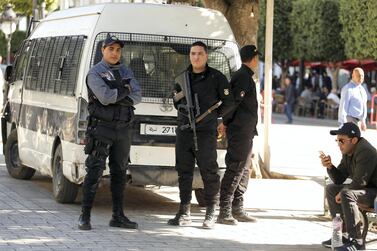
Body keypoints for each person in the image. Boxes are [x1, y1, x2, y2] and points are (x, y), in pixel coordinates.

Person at [78, 35, 142, 230]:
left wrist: (119, 94)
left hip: (123, 129)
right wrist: (124, 91)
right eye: (111, 49)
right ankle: (85, 216)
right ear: (102, 50)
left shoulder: (125, 70)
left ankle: (118, 216)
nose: (115, 53)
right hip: (102, 128)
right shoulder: (95, 73)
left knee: (120, 172)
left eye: (118, 50)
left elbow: (137, 95)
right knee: (95, 171)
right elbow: (105, 98)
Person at [168, 41, 234, 229]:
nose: (196, 57)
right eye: (193, 54)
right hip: (184, 131)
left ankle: (211, 211)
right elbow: (175, 101)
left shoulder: (216, 77)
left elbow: (229, 102)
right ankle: (184, 211)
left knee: (209, 172)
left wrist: (214, 116)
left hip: (205, 132)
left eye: (199, 54)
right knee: (184, 171)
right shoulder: (182, 77)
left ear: (206, 56)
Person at [216, 45, 259, 225]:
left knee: (243, 169)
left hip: (246, 130)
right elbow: (233, 102)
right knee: (235, 167)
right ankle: (224, 210)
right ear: (254, 58)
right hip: (239, 130)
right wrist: (224, 122)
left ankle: (237, 207)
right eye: (258, 58)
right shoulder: (242, 77)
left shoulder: (245, 76)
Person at [320, 122, 377, 250]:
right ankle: (341, 235)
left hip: (374, 193)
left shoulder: (365, 151)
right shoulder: (348, 152)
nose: (339, 144)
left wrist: (343, 192)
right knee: (331, 189)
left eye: (342, 140)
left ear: (354, 140)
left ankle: (357, 241)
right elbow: (339, 179)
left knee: (346, 193)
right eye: (337, 141)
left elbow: (359, 183)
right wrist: (330, 166)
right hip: (367, 190)